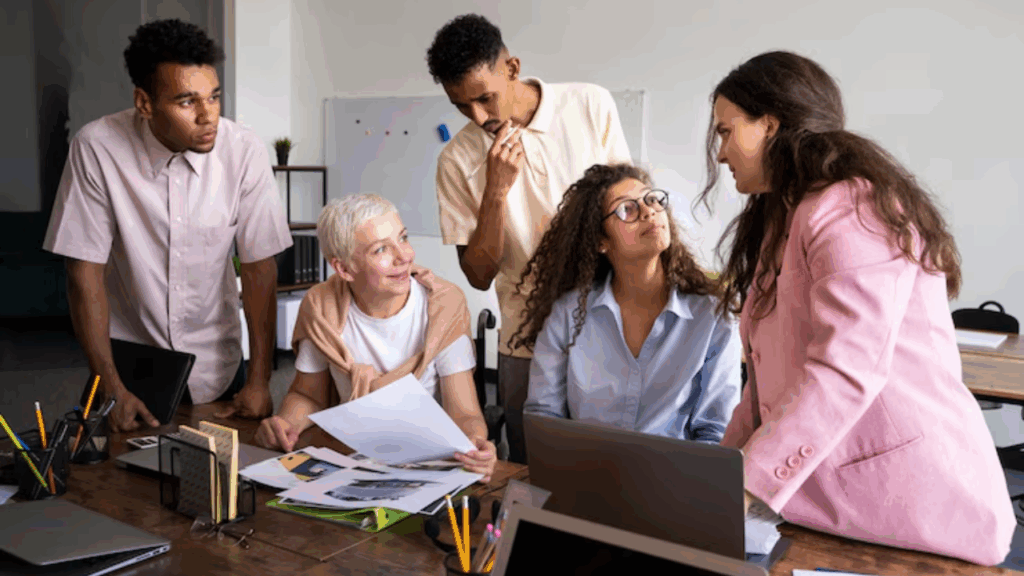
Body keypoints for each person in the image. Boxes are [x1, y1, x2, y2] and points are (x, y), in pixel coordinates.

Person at [702, 51, 1013, 565]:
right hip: (834, 503)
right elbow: (765, 384)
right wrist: (713, 477)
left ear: (770, 125)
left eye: (725, 131)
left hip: (914, 504)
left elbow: (845, 369)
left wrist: (742, 485)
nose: (720, 152)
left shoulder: (850, 206)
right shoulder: (787, 215)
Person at [42, 19, 291, 432]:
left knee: (225, 487)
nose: (208, 115)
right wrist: (111, 387)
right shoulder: (97, 147)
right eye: (186, 102)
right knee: (115, 490)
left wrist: (261, 378)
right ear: (144, 102)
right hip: (128, 369)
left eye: (213, 96)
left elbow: (259, 267)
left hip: (221, 368)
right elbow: (83, 273)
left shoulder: (243, 150)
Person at [427, 14, 633, 463]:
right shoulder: (457, 160)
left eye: (485, 98)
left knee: (610, 463)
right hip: (523, 342)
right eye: (461, 106)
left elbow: (625, 210)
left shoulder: (588, 105)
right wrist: (495, 192)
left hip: (606, 323)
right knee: (528, 468)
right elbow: (479, 276)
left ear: (513, 69)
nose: (478, 116)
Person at [254, 195, 497, 481]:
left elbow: (464, 412)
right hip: (351, 460)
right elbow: (307, 394)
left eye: (403, 238)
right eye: (381, 249)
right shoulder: (322, 308)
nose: (404, 255)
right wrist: (284, 424)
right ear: (344, 269)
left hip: (426, 464)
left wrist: (476, 444)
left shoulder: (443, 307)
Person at [515, 164, 740, 442]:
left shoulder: (713, 317)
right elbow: (543, 416)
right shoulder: (567, 315)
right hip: (586, 474)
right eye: (627, 209)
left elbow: (716, 433)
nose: (649, 211)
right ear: (600, 241)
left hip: (674, 480)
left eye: (652, 199)